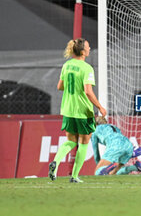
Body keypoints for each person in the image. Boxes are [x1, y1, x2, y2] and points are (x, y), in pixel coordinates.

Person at [48, 38, 107, 183]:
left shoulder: (67, 65)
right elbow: (88, 91)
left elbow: (59, 87)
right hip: (83, 111)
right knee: (84, 142)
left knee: (70, 141)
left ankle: (55, 164)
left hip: (68, 109)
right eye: (88, 46)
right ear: (82, 51)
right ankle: (74, 176)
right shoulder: (86, 68)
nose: (90, 48)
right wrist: (100, 106)